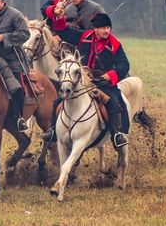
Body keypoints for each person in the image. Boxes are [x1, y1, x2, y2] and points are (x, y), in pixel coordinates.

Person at [43, 10, 130, 148]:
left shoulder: (114, 44)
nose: (106, 31)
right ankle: (53, 130)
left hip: (103, 82)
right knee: (58, 101)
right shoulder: (84, 36)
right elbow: (64, 32)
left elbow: (124, 65)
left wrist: (110, 75)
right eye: (103, 28)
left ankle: (117, 134)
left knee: (114, 103)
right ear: (95, 29)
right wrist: (59, 17)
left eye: (108, 28)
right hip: (81, 79)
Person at [0, 0, 31, 132]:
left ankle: (18, 118)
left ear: (4, 2)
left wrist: (5, 37)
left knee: (17, 88)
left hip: (12, 57)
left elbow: (25, 34)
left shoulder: (15, 15)